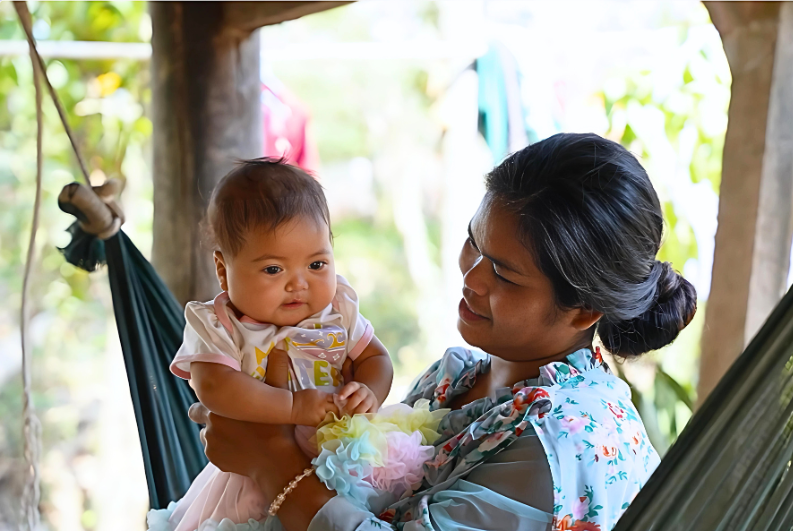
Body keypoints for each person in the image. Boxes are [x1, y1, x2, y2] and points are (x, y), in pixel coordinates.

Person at [191, 133, 698, 531]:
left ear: (584, 309)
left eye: (504, 275)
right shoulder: (456, 380)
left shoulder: (562, 442)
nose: (471, 277)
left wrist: (273, 463)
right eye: (473, 242)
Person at [147, 159, 394, 531]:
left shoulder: (337, 311)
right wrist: (293, 407)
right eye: (274, 269)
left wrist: (369, 391)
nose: (298, 284)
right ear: (223, 271)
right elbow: (214, 386)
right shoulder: (223, 324)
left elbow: (376, 357)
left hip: (343, 465)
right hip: (252, 479)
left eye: (316, 264)